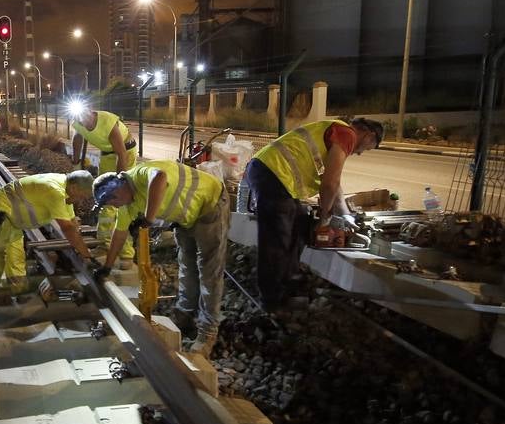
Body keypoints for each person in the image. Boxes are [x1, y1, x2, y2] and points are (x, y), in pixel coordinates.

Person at [246, 117, 384, 312]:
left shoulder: (335, 132)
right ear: (370, 134)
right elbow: (329, 184)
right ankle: (272, 302)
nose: (361, 152)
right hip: (272, 175)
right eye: (369, 147)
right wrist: (324, 218)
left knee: (300, 225)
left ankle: (289, 285)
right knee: (277, 241)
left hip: (274, 176)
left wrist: (345, 215)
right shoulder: (347, 134)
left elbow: (334, 184)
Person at [93, 161, 229, 355]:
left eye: (112, 201)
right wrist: (106, 267)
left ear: (118, 190)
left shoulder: (140, 174)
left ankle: (208, 331)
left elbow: (160, 178)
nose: (114, 206)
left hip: (210, 204)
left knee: (209, 270)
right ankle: (185, 314)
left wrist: (148, 219)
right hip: (185, 217)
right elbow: (119, 233)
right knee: (187, 266)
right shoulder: (127, 204)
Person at [0, 171, 96, 303]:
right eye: (82, 196)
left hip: (10, 219)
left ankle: (17, 292)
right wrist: (86, 255)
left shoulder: (64, 187)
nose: (81, 200)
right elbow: (67, 228)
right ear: (74, 188)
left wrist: (81, 249)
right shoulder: (55, 191)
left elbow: (72, 222)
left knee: (15, 257)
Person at [70, 105, 137, 261]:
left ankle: (125, 253)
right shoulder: (79, 123)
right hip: (107, 155)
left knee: (119, 201)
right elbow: (77, 138)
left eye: (84, 116)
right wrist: (75, 161)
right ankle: (104, 244)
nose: (82, 120)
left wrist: (120, 181)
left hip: (126, 153)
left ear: (91, 111)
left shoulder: (107, 121)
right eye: (79, 118)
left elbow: (121, 154)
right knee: (104, 199)